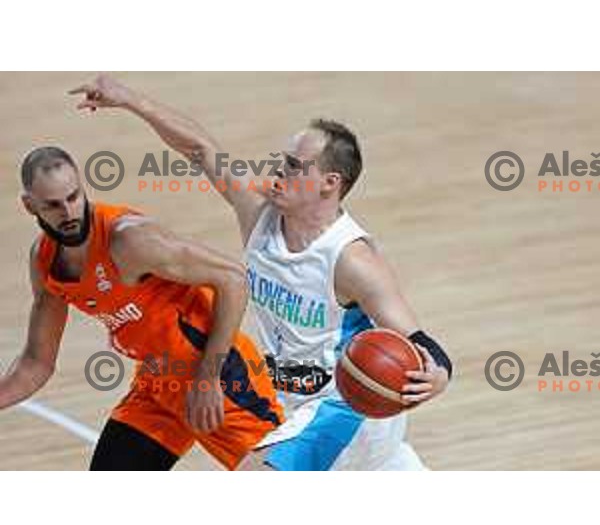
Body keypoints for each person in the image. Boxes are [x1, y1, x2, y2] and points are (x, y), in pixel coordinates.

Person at [70, 74, 453, 470]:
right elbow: (200, 149)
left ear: (329, 183)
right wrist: (129, 98)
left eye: (292, 165)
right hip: (293, 403)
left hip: (347, 406)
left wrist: (438, 372)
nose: (277, 171)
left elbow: (417, 338)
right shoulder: (258, 216)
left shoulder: (351, 260)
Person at [0, 145, 283, 470]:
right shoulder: (45, 261)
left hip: (221, 379)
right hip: (159, 383)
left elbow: (233, 279)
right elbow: (37, 363)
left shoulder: (129, 241)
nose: (68, 213)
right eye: (53, 205)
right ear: (29, 205)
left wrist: (207, 378)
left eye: (74, 197)